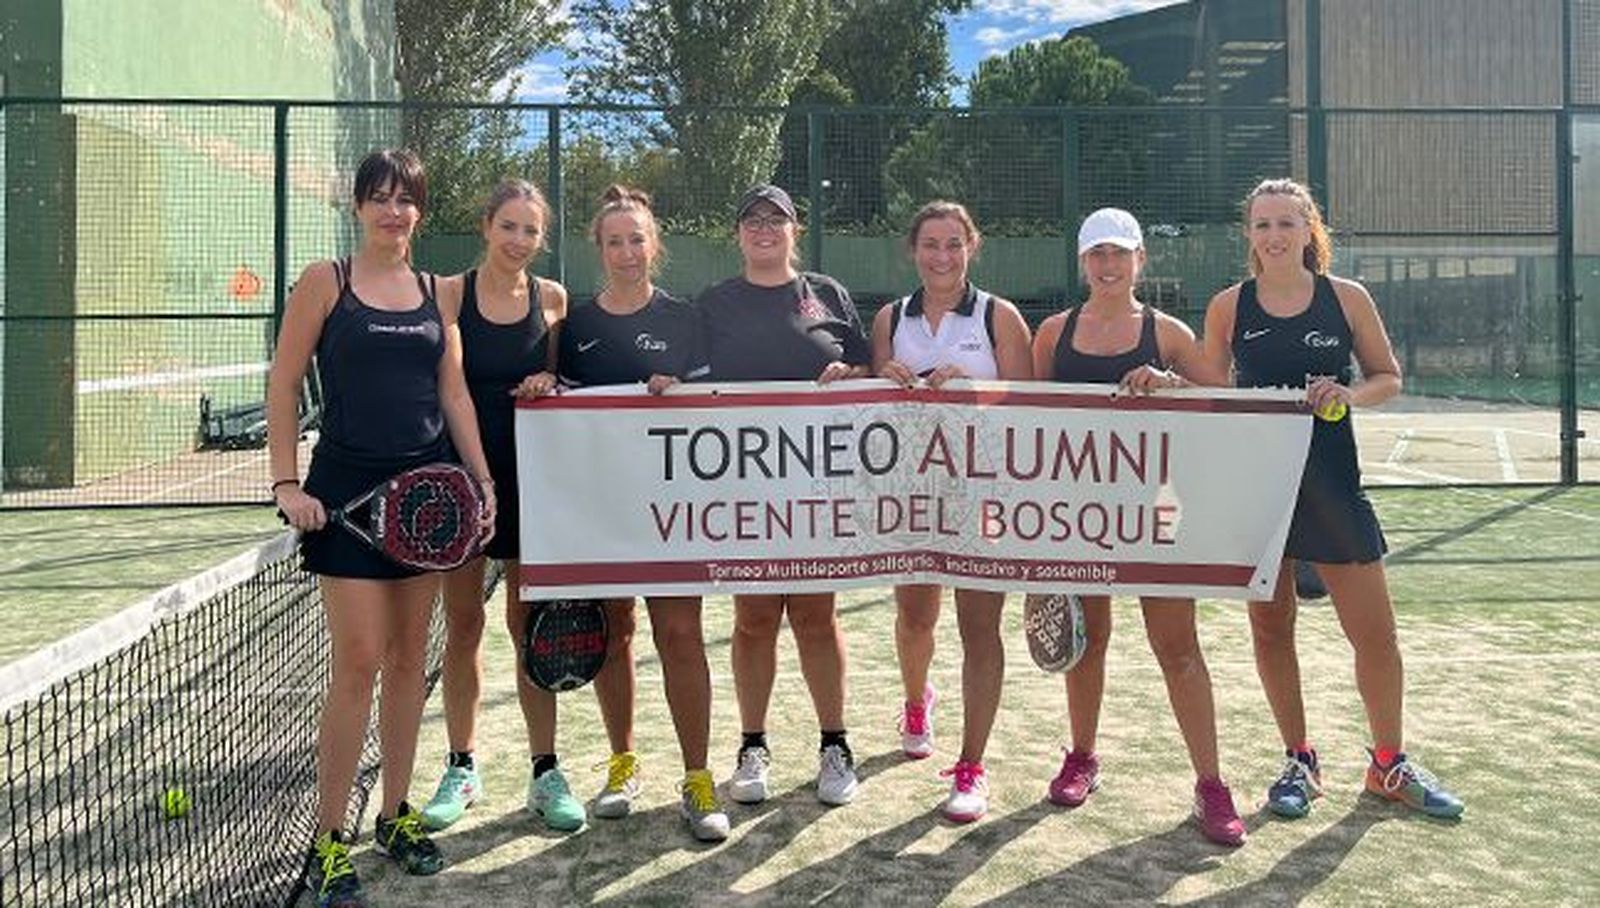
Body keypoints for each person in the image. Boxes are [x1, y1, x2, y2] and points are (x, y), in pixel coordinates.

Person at [268, 148, 497, 907]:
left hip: (428, 506)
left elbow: (455, 395)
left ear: (420, 212)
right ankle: (329, 840)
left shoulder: (438, 294)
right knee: (359, 661)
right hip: (344, 501)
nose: (393, 211)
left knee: (408, 663)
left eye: (406, 200)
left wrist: (481, 480)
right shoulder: (324, 281)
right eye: (380, 198)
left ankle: (394, 814)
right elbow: (284, 378)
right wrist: (285, 484)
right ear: (359, 206)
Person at [1202, 178, 1464, 820]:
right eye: (1262, 225)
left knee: (1375, 636)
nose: (1274, 236)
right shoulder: (1229, 307)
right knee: (1271, 629)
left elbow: (1387, 377)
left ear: (1309, 229)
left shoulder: (1346, 299)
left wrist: (1349, 395)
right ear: (1250, 236)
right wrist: (1159, 379)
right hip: (1260, 491)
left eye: (1287, 223)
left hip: (1334, 488)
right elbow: (1206, 385)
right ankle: (1299, 760)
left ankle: (1388, 765)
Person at [1030, 207, 1246, 846]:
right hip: (1080, 515)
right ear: (1082, 263)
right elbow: (1032, 420)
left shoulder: (1170, 332)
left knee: (1177, 647)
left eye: (1119, 254)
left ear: (1140, 261)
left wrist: (1172, 380)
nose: (1108, 265)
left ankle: (1211, 784)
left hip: (1158, 511)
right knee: (1085, 640)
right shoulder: (1052, 334)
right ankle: (1082, 756)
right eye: (1097, 254)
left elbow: (1227, 400)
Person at [410, 179, 602, 836]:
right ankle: (461, 766)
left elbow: (560, 379)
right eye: (508, 226)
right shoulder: (447, 294)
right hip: (461, 485)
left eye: (530, 230)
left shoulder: (552, 300)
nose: (518, 241)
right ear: (485, 225)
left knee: (533, 629)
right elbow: (442, 386)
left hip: (530, 485)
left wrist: (551, 379)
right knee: (462, 627)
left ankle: (545, 770)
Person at [554, 184, 729, 842]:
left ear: (654, 245)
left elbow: (714, 407)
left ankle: (698, 778)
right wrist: (546, 390)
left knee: (680, 636)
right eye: (614, 241)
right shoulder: (576, 326)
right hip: (603, 509)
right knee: (616, 634)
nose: (627, 251)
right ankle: (622, 765)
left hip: (675, 509)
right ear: (598, 249)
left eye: (637, 239)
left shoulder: (686, 319)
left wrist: (683, 394)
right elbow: (564, 418)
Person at [697, 184, 871, 807]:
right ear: (738, 233)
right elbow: (694, 385)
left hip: (820, 487)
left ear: (796, 229)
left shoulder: (828, 295)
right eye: (753, 220)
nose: (765, 229)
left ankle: (834, 745)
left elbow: (868, 373)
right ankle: (752, 747)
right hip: (746, 489)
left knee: (816, 619)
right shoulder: (715, 302)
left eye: (778, 219)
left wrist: (853, 375)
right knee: (754, 619)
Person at [871, 200, 1032, 822]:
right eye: (930, 244)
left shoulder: (1000, 316)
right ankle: (918, 700)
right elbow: (871, 399)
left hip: (982, 495)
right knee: (915, 619)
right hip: (911, 493)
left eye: (953, 244)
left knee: (978, 629)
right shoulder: (891, 317)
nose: (941, 256)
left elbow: (1030, 405)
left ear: (972, 247)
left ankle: (971, 766)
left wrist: (971, 383)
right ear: (913, 250)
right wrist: (877, 373)